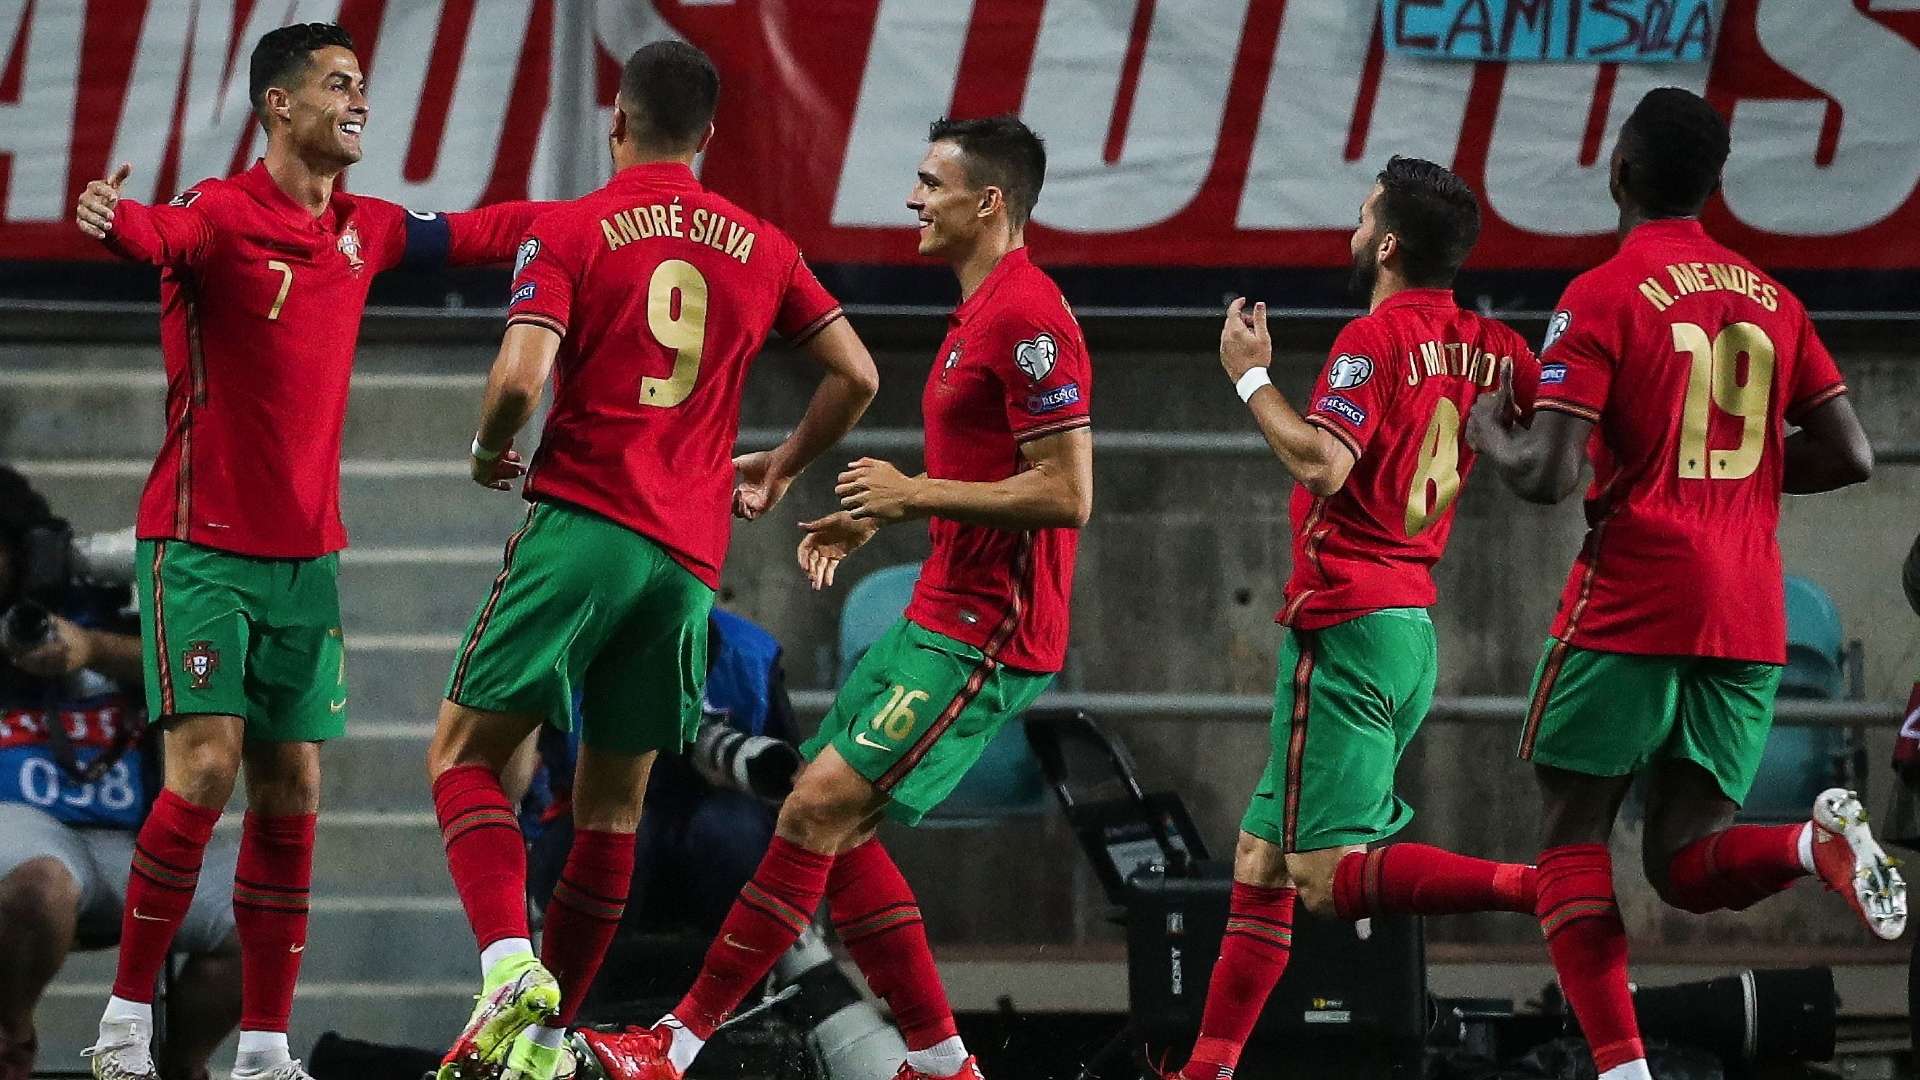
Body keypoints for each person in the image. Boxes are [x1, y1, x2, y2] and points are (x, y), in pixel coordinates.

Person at [70, 22, 547, 1080]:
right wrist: (112, 221)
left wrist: (607, 216)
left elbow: (487, 229)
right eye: (340, 84)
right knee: (205, 770)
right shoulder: (217, 211)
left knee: (293, 794)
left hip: (307, 559)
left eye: (362, 83)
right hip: (197, 545)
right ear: (279, 105)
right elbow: (155, 237)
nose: (359, 100)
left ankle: (267, 1049)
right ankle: (120, 1029)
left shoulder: (364, 230)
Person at [581, 112, 1092, 1080]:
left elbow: (1069, 493)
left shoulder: (1031, 317)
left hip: (991, 633)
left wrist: (908, 496)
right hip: (941, 607)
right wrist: (879, 518)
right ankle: (942, 1063)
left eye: (929, 183)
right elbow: (991, 469)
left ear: (987, 202)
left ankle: (673, 1042)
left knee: (817, 807)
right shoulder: (979, 310)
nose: (912, 198)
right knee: (824, 814)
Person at [423, 39, 878, 1080]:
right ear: (710, 136)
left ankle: (507, 971)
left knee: (462, 758)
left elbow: (516, 380)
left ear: (617, 123)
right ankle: (543, 1047)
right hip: (685, 563)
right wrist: (780, 468)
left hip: (584, 524)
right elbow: (854, 374)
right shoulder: (764, 246)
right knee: (612, 810)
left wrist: (493, 452)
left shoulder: (575, 227)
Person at [1463, 86, 1903, 1080]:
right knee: (1684, 865)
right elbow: (1855, 454)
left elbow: (1546, 475)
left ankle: (1622, 1071)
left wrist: (1491, 428)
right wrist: (1743, 480)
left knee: (1571, 837)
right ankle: (1809, 847)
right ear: (1713, 186)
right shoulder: (1773, 298)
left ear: (1619, 171)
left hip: (1635, 595)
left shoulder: (1605, 291)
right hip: (1749, 608)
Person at [1159, 158, 1543, 1080]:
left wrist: (1251, 379)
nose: (1352, 227)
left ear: (1391, 244)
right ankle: (1205, 1072)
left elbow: (1323, 466)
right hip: (1409, 628)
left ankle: (1536, 886)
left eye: (1363, 214)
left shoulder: (1371, 340)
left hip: (1343, 627)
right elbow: (1565, 431)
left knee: (1323, 881)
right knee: (1258, 860)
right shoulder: (1496, 344)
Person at [0, 469, 238, 1080]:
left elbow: (201, 665)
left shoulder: (103, 603)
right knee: (41, 885)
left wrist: (92, 649)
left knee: (261, 910)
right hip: (19, 831)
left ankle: (181, 1064)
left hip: (126, 842)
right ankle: (10, 1044)